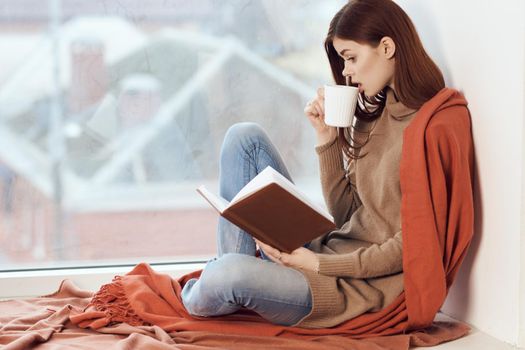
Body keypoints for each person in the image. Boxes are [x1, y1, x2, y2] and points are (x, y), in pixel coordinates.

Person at [181, 0, 465, 329]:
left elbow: (411, 247)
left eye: (351, 58)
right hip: (326, 252)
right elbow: (347, 216)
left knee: (222, 275)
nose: (345, 72)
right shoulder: (374, 116)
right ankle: (242, 273)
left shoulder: (433, 126)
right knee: (244, 137)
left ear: (387, 47)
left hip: (351, 286)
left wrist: (316, 264)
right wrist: (327, 138)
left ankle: (232, 277)